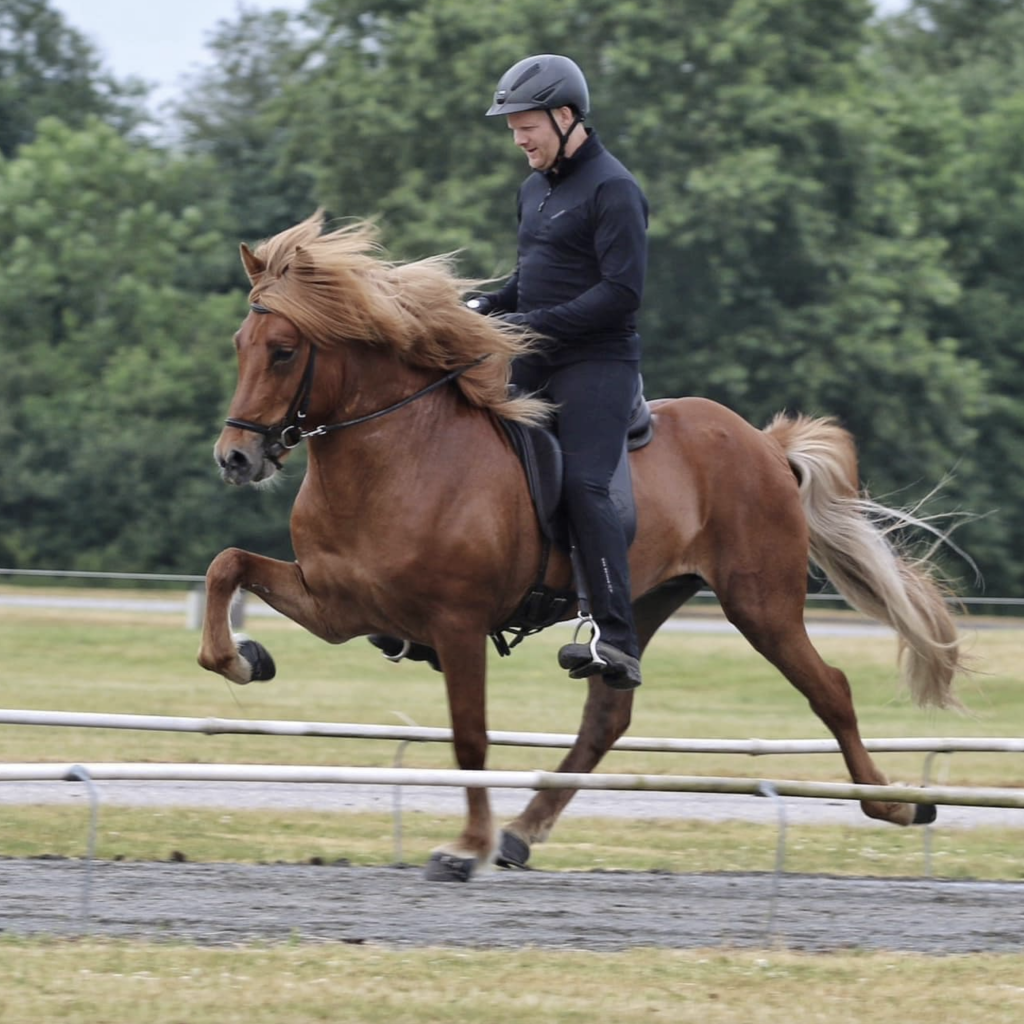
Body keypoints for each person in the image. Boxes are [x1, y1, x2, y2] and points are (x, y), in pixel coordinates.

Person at [471, 53, 649, 690]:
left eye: (527, 127)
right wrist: (486, 305)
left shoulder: (614, 188)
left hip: (597, 363)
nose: (519, 140)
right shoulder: (533, 188)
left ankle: (617, 640)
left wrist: (532, 327)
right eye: (513, 128)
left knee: (583, 486)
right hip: (535, 355)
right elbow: (533, 276)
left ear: (566, 116)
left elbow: (621, 293)